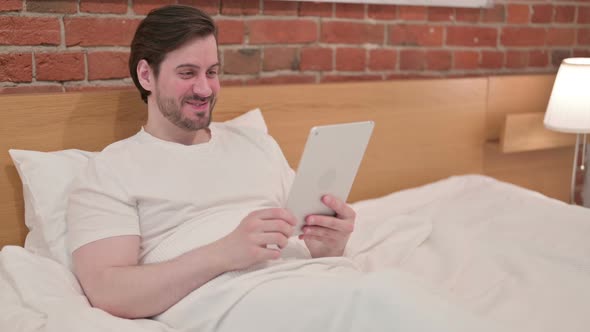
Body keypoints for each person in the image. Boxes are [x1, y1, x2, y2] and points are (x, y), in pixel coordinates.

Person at [67, 5, 497, 332]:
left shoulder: (255, 144)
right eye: (187, 73)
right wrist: (224, 252)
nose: (205, 88)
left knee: (397, 297)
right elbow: (108, 292)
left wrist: (329, 243)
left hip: (318, 280)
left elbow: (301, 239)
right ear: (146, 74)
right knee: (383, 299)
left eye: (213, 72)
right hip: (236, 299)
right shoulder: (111, 170)